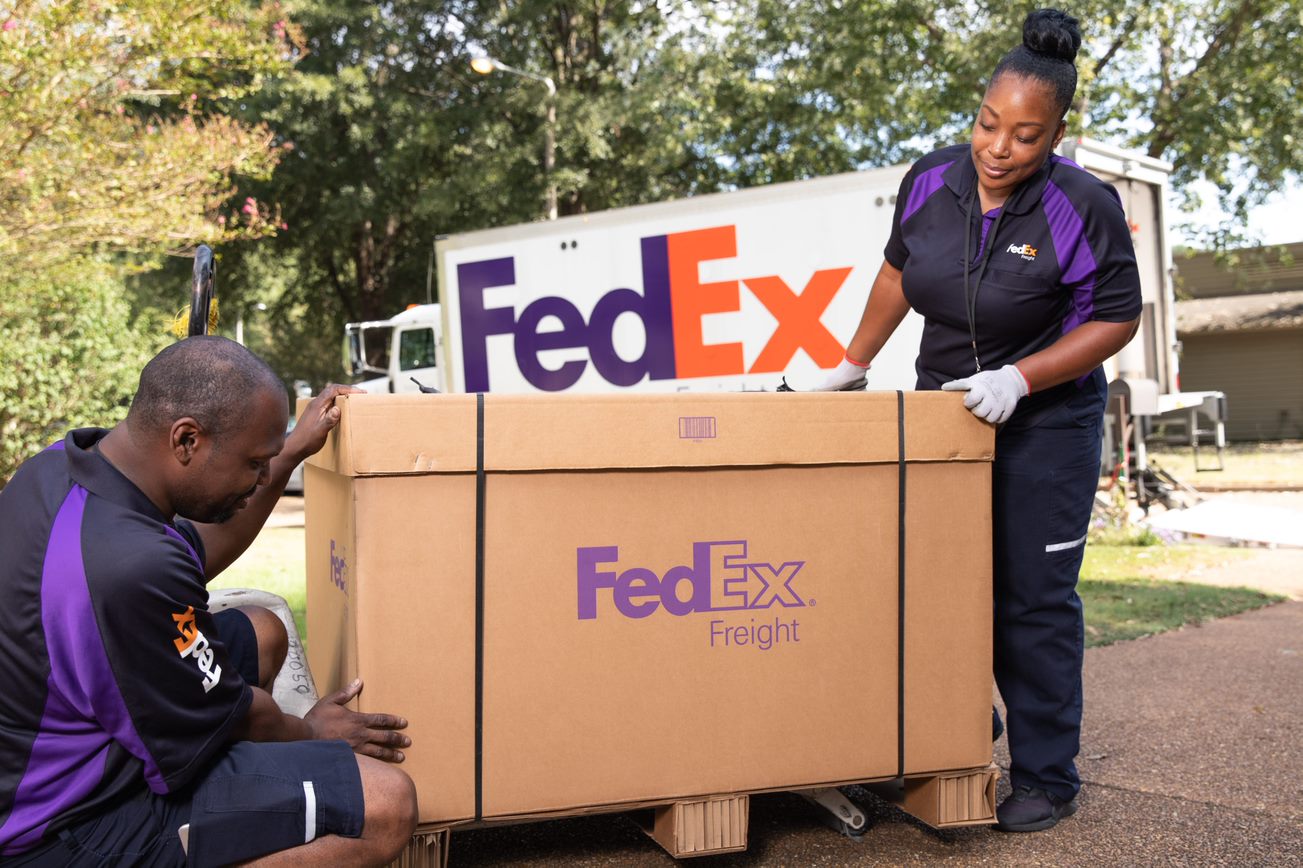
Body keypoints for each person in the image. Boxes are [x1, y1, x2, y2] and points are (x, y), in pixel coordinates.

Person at [810, 8, 1141, 832]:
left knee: (1030, 602)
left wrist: (1020, 378)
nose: (997, 148)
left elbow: (1115, 318)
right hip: (943, 417)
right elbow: (898, 274)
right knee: (927, 585)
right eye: (987, 124)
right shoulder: (930, 179)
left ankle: (1045, 776)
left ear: (1055, 136)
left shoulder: (1080, 204)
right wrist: (851, 362)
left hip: (1045, 423)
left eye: (1024, 136)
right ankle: (952, 724)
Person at [0, 336, 418, 866]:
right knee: (386, 803)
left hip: (69, 738)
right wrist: (312, 732)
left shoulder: (62, 469)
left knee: (264, 631)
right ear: (187, 440)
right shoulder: (130, 564)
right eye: (254, 463)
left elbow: (198, 549)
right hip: (64, 823)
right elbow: (243, 717)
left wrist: (290, 450)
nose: (261, 478)